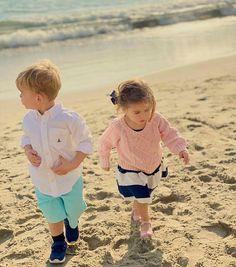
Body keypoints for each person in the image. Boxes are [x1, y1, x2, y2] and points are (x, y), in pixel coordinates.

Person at [16, 59, 93, 264]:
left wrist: (72, 163)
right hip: (42, 178)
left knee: (74, 208)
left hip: (69, 178)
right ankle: (58, 242)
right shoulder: (28, 119)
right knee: (51, 211)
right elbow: (26, 138)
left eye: (22, 93)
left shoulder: (69, 118)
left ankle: (73, 221)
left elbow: (86, 142)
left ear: (38, 97)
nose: (20, 97)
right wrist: (27, 149)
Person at [98, 79, 189, 239]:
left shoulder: (155, 119)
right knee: (143, 197)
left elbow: (169, 134)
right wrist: (105, 160)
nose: (144, 115)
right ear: (124, 110)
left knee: (145, 194)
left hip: (152, 164)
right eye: (137, 112)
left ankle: (137, 208)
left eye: (147, 109)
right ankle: (146, 222)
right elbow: (104, 143)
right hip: (130, 169)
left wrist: (180, 149)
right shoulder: (118, 127)